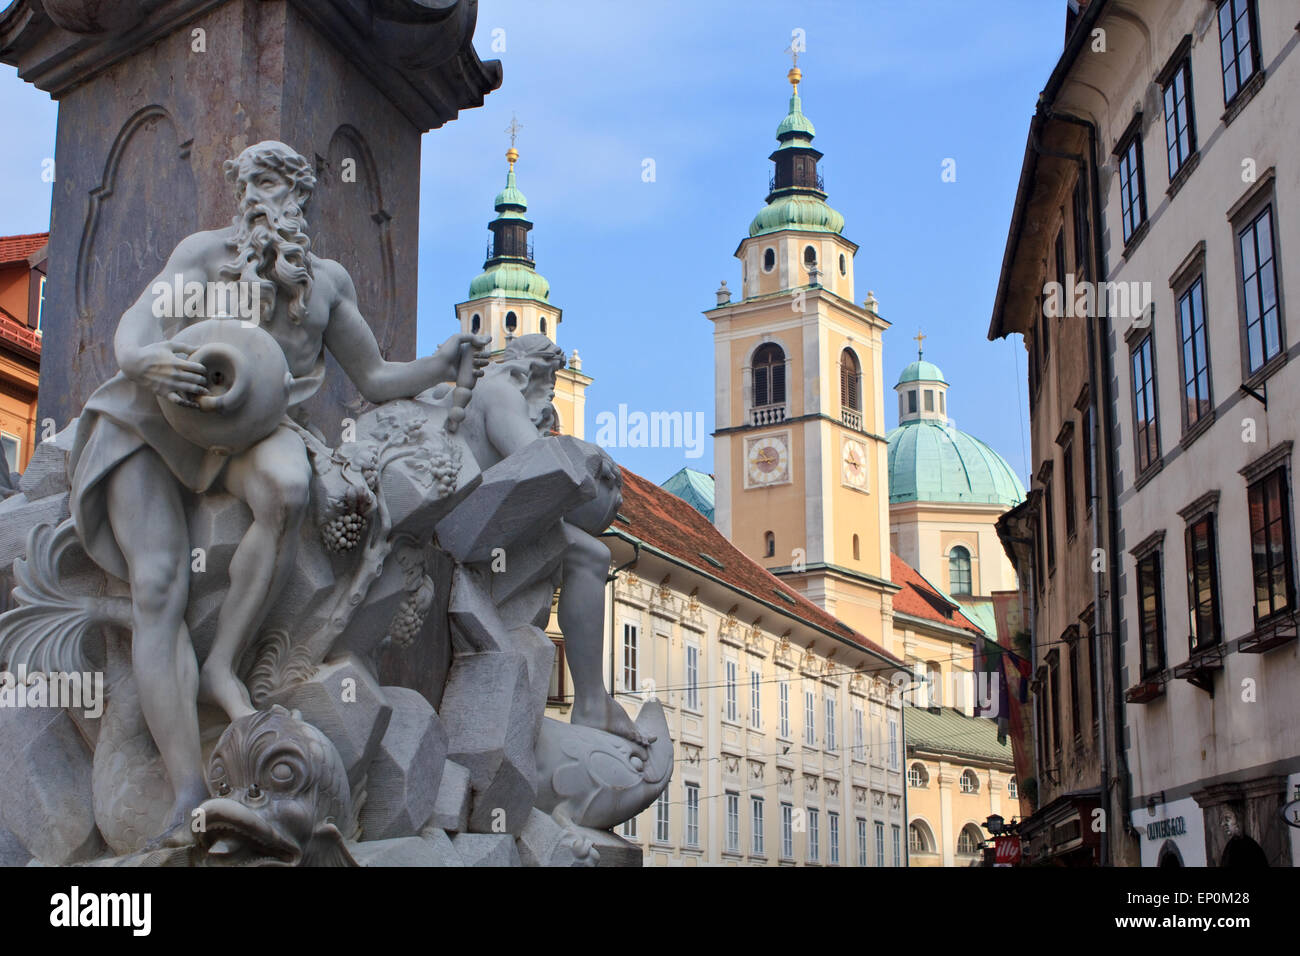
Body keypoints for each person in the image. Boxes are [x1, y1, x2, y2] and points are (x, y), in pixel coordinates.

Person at [69, 140, 488, 845]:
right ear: (243, 194)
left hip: (253, 430)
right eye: (263, 183)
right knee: (159, 587)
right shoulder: (204, 257)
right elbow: (136, 328)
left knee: (289, 486)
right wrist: (146, 361)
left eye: (291, 187)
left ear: (308, 202)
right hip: (156, 421)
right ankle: (186, 790)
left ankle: (222, 664)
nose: (277, 200)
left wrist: (438, 363)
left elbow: (376, 377)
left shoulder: (324, 286)